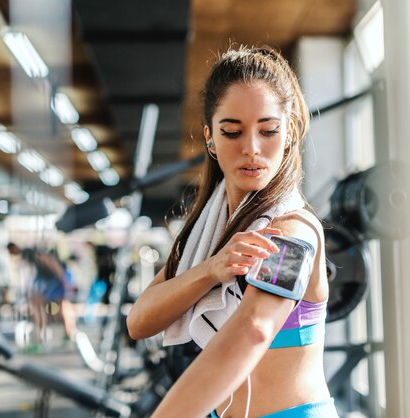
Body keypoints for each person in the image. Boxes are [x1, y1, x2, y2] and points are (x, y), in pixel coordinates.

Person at [127, 45, 338, 418]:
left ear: (289, 133)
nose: (252, 148)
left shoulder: (293, 234)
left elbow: (255, 329)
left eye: (268, 130)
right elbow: (140, 320)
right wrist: (210, 270)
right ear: (210, 138)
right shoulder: (209, 238)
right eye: (232, 132)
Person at [7, 243, 77, 344]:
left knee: (62, 308)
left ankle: (68, 333)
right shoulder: (28, 258)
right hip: (50, 279)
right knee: (40, 305)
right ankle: (43, 335)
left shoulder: (36, 255)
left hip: (57, 279)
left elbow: (55, 266)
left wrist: (66, 284)